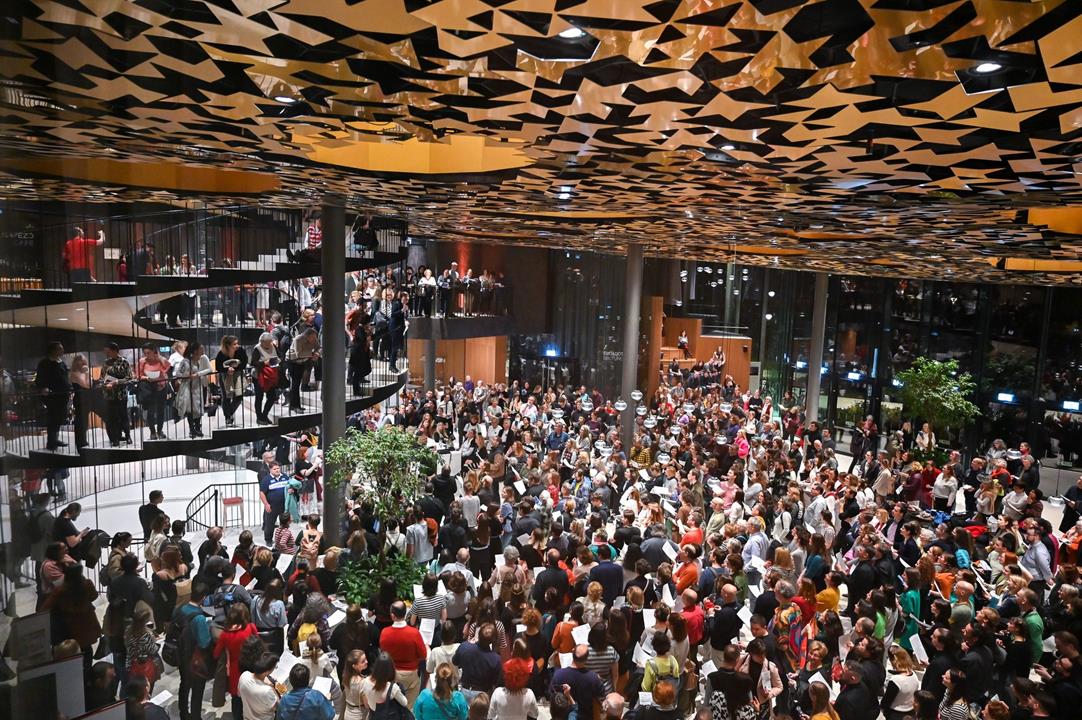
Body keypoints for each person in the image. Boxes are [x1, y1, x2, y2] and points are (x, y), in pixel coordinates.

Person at [213, 603, 259, 720]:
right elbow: (258, 644)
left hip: (234, 670)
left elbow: (216, 653)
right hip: (251, 666)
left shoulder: (225, 635)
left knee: (236, 699)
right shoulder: (251, 627)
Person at [380, 600, 428, 705]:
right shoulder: (414, 633)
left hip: (391, 674)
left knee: (393, 704)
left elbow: (383, 654)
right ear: (405, 613)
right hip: (410, 674)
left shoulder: (384, 633)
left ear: (392, 616)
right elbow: (423, 655)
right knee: (410, 705)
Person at [36, 341, 71, 451]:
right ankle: (51, 442)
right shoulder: (45, 363)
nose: (62, 351)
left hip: (63, 396)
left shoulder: (61, 363)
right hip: (52, 396)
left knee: (59, 417)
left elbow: (65, 377)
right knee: (53, 418)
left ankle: (54, 439)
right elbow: (40, 378)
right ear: (53, 350)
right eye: (60, 349)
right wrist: (43, 388)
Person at [174, 342, 212, 437]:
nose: (203, 350)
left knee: (198, 408)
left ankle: (197, 427)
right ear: (195, 351)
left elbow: (209, 369)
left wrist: (197, 374)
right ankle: (192, 429)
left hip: (198, 386)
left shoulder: (202, 359)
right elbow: (178, 373)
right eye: (201, 349)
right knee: (190, 409)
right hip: (188, 387)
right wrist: (186, 376)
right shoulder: (185, 361)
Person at [137, 343, 171, 440]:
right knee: (150, 411)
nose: (146, 355)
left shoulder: (161, 359)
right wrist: (147, 378)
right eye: (145, 353)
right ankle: (152, 432)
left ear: (154, 351)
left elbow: (167, 368)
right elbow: (138, 375)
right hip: (149, 387)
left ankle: (160, 431)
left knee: (161, 411)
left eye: (149, 353)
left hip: (161, 386)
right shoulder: (142, 361)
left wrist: (159, 357)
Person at [238, 652, 280, 720]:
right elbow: (277, 707)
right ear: (266, 672)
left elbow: (239, 694)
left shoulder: (244, 676)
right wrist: (272, 687)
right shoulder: (267, 690)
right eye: (275, 667)